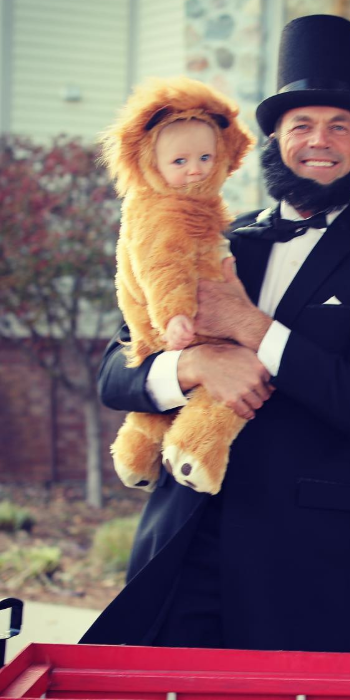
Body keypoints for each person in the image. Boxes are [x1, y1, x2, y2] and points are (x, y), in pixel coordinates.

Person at [82, 15, 350, 700]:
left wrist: (257, 334)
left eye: (339, 128)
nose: (320, 141)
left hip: (302, 561)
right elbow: (114, 368)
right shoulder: (206, 232)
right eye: (301, 125)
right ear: (272, 140)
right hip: (187, 544)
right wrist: (190, 366)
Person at [99, 76, 254, 496]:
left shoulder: (204, 211)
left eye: (205, 157)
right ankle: (195, 448)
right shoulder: (166, 212)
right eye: (180, 162)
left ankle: (136, 451)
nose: (196, 170)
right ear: (152, 163)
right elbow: (163, 265)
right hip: (177, 324)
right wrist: (176, 317)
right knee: (239, 384)